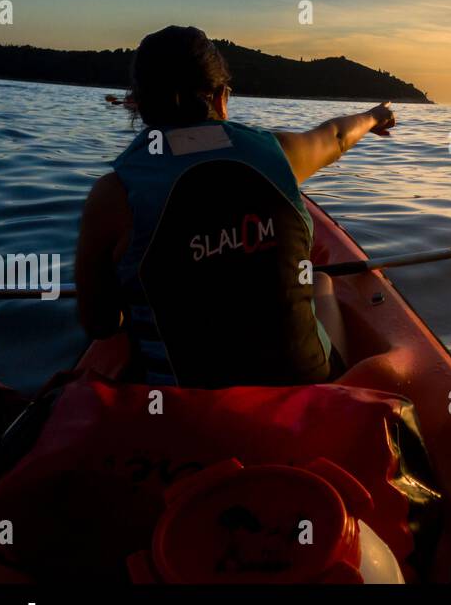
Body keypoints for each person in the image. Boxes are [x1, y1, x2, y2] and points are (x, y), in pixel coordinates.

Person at [74, 26, 395, 386]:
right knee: (319, 281)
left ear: (139, 103)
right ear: (220, 97)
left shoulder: (112, 195)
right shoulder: (282, 155)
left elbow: (100, 324)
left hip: (185, 413)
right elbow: (336, 136)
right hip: (302, 391)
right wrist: (375, 116)